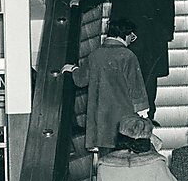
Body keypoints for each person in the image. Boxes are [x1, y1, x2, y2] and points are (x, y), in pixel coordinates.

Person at [72, 0, 174, 123]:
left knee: (124, 77)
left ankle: (126, 122)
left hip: (126, 35)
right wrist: (166, 34)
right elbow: (169, 6)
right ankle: (147, 119)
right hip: (154, 38)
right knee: (148, 78)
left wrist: (81, 5)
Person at [61, 19, 149, 156]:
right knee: (125, 157)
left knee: (105, 159)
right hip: (124, 120)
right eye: (132, 36)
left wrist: (73, 69)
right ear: (126, 35)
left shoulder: (95, 55)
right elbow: (136, 86)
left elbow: (80, 81)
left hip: (101, 122)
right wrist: (143, 110)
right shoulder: (127, 56)